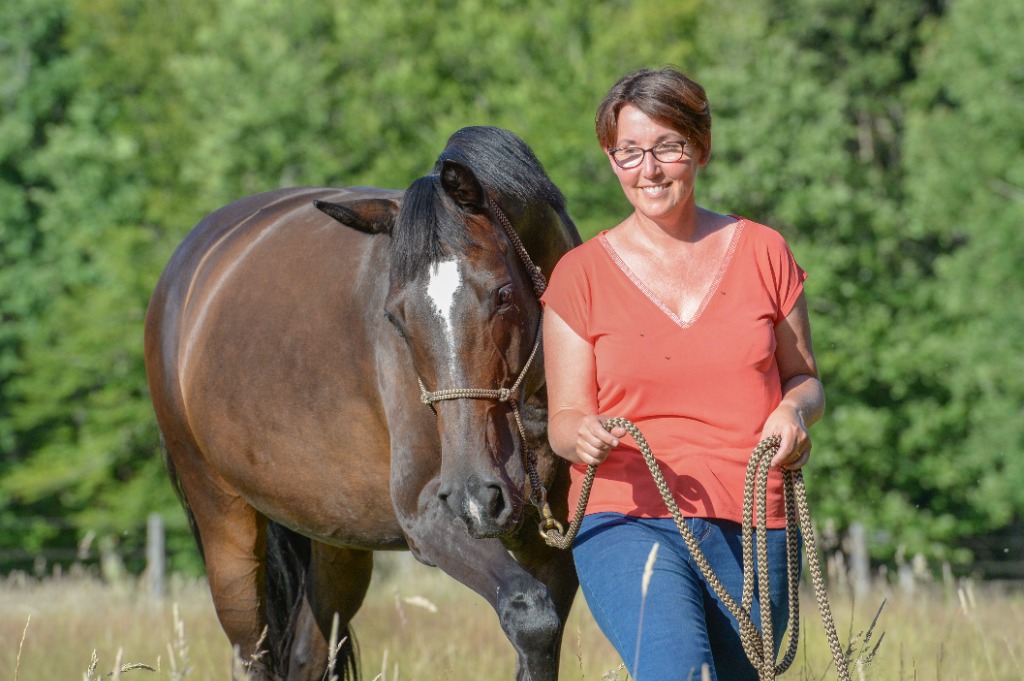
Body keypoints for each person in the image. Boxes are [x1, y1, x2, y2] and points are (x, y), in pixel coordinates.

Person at [542, 66, 825, 681]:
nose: (649, 170)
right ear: (611, 158)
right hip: (626, 514)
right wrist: (580, 433)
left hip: (755, 517)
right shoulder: (579, 276)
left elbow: (806, 379)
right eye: (629, 153)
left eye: (667, 147)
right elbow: (563, 421)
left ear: (699, 147)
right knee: (676, 670)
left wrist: (793, 411)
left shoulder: (764, 252)